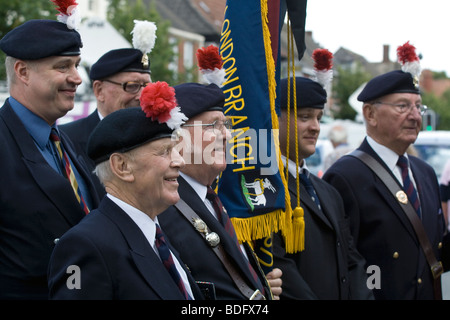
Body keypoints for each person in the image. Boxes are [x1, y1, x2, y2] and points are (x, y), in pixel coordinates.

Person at [48, 82, 204, 299]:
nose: (179, 161)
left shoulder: (155, 235)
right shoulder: (86, 246)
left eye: (176, 150)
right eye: (165, 151)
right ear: (122, 167)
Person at [322, 45, 445, 299]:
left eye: (418, 107)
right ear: (370, 114)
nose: (414, 116)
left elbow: (436, 251)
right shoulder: (346, 176)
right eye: (402, 106)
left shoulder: (425, 173)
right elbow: (342, 266)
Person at [0, 13, 101, 299]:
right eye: (62, 66)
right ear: (22, 72)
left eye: (77, 65)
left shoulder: (64, 142)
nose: (77, 78)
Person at [158, 82, 282, 300]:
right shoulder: (162, 206)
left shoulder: (212, 196)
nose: (226, 135)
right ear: (177, 138)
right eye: (212, 125)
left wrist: (261, 285)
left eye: (226, 125)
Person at [271, 76, 373, 300]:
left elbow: (351, 260)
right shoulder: (265, 189)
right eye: (304, 117)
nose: (315, 127)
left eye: (318, 117)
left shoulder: (327, 191)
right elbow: (282, 272)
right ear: (275, 119)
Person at [60, 20, 156, 198]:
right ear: (99, 90)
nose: (143, 95)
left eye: (147, 87)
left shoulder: (158, 139)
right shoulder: (66, 140)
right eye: (132, 86)